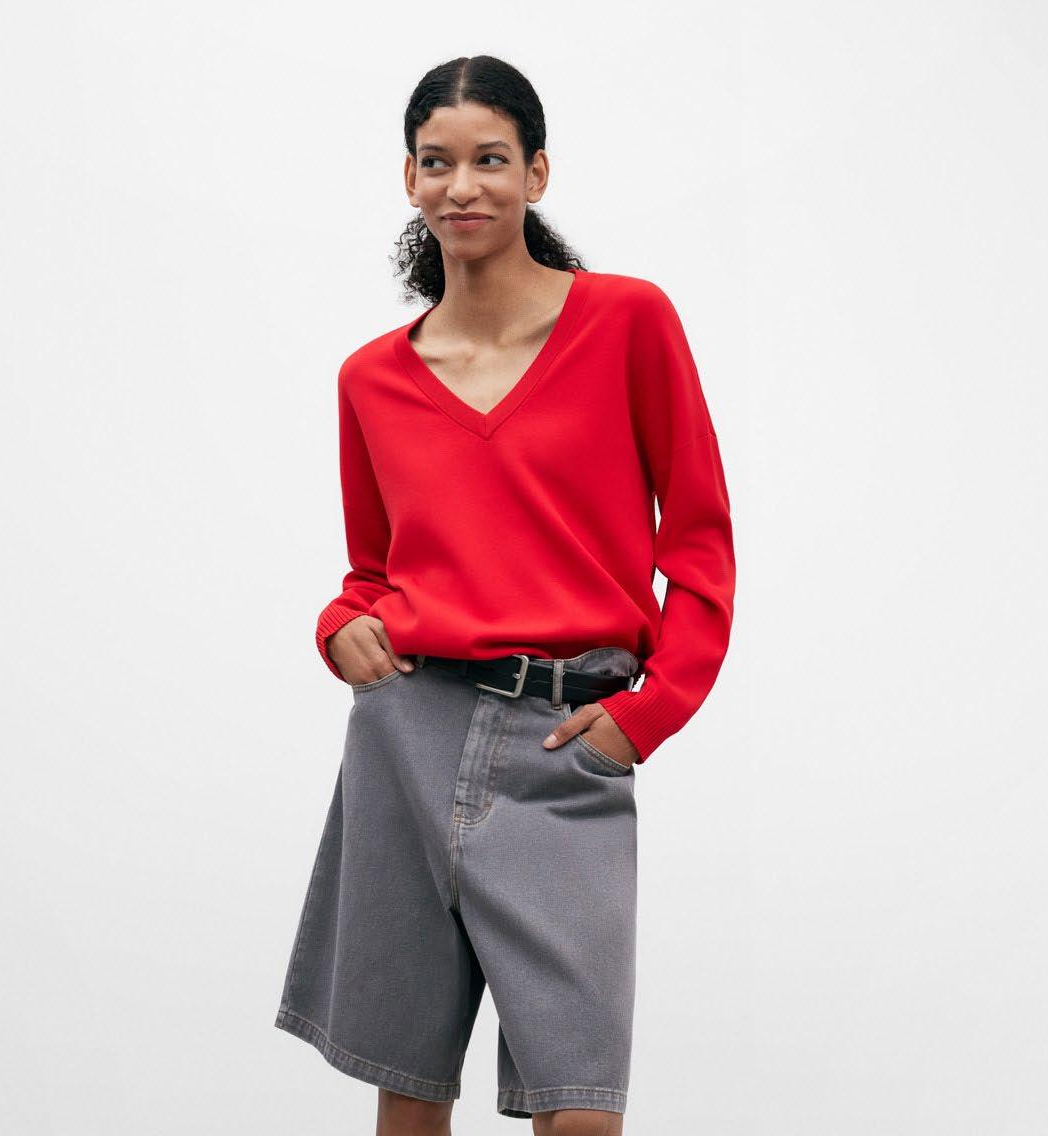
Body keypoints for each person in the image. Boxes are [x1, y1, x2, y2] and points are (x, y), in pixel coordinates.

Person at [273, 54, 736, 1136]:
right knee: (408, 1091)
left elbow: (700, 540)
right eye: (436, 162)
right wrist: (338, 627)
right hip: (407, 737)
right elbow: (373, 571)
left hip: (565, 742)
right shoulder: (371, 378)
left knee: (578, 1108)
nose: (462, 185)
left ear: (536, 172)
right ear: (409, 178)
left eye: (489, 159)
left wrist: (644, 715)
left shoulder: (628, 322)